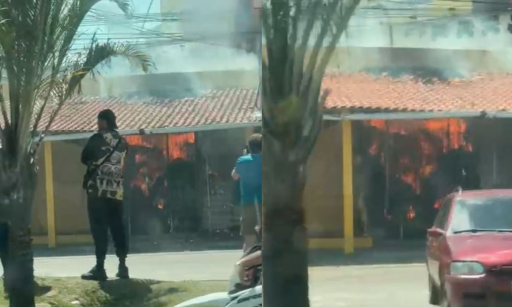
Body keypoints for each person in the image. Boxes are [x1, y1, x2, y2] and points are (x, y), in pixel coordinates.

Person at [81, 109, 129, 281]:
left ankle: (100, 268)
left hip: (98, 192)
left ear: (105, 122)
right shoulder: (123, 141)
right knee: (118, 228)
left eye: (99, 120)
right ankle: (123, 266)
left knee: (99, 229)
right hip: (116, 193)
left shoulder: (96, 139)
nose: (97, 123)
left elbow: (84, 158)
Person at [232, 134, 262, 253]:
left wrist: (245, 157)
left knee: (249, 239)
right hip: (265, 203)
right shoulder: (268, 160)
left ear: (249, 147)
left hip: (248, 203)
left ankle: (245, 268)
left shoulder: (242, 161)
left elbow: (234, 176)